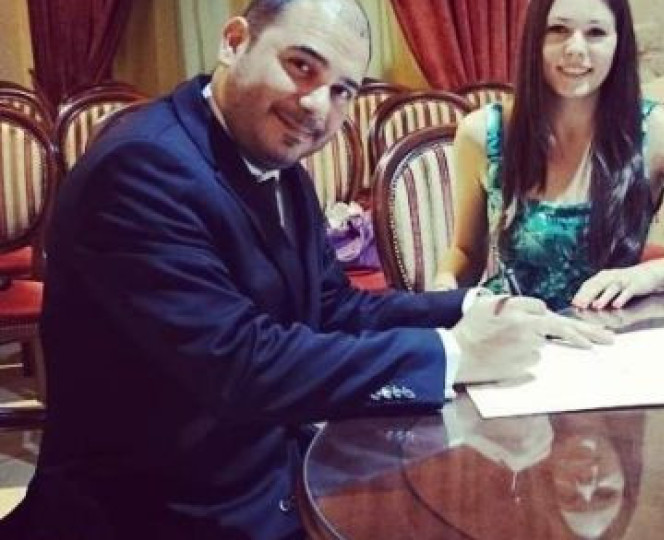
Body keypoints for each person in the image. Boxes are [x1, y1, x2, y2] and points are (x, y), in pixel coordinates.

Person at [3, 1, 612, 538]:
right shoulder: (144, 167)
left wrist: (470, 307)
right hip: (157, 511)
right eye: (301, 66)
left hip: (267, 474)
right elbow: (241, 364)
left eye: (343, 90)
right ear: (234, 42)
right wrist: (454, 354)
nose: (318, 105)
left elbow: (332, 306)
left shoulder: (276, 164)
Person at [433, 0, 664, 311]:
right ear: (534, 39)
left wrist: (648, 275)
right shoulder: (483, 132)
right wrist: (444, 283)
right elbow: (466, 252)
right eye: (558, 29)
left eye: (595, 32)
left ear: (618, 44)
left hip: (611, 335)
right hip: (514, 335)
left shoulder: (654, 129)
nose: (575, 48)